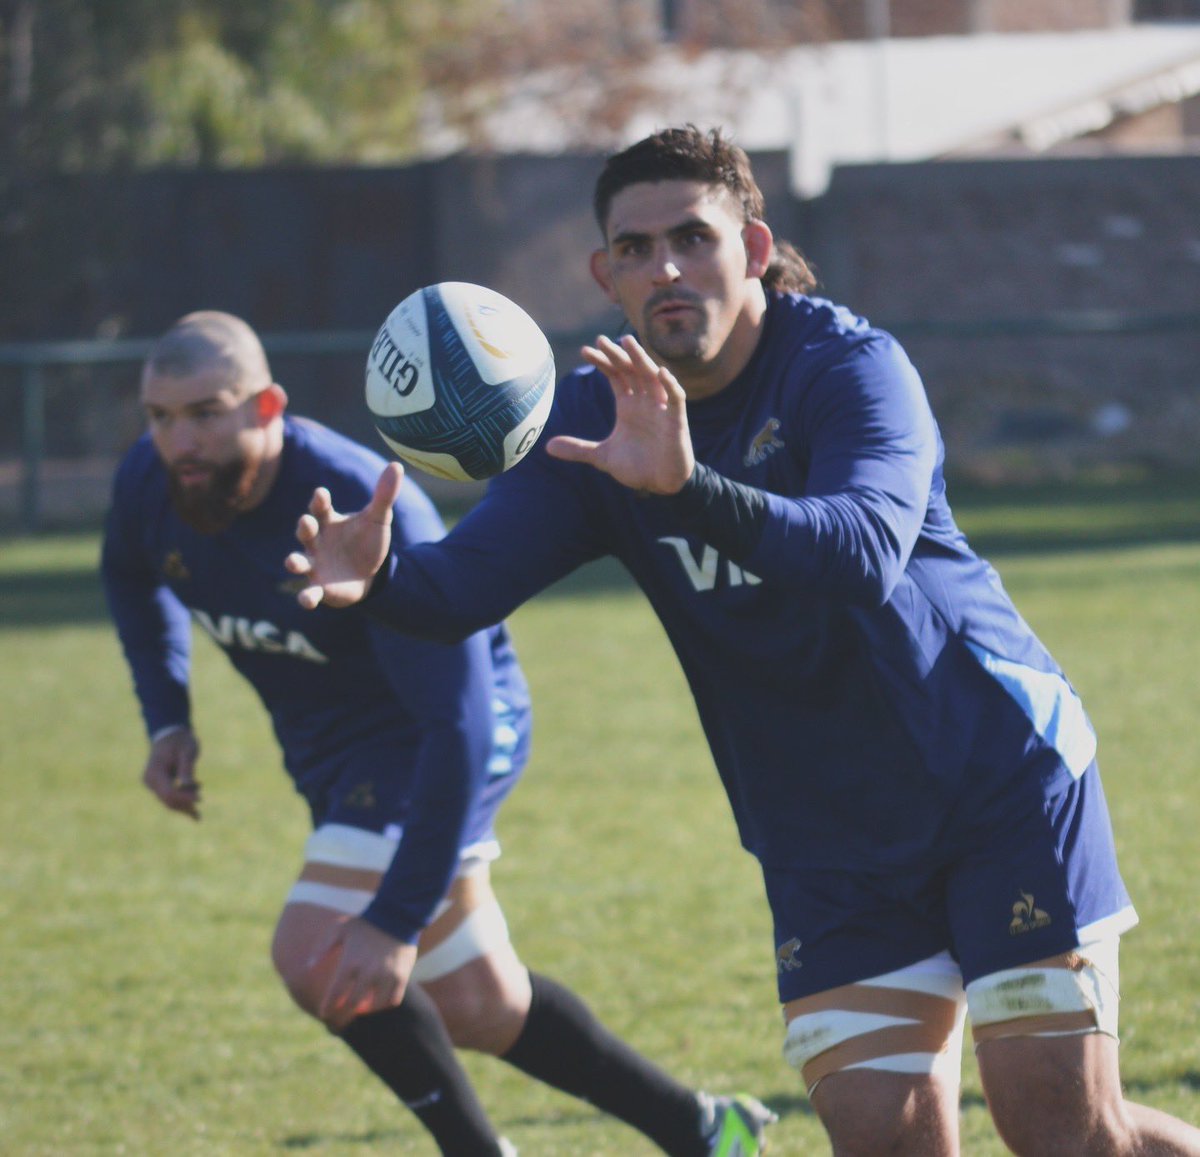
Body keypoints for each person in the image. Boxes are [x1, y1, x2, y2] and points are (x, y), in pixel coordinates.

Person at [284, 126, 1200, 1156]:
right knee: (884, 1144)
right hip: (823, 841)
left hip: (993, 782)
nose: (665, 268)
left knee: (1064, 1134)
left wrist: (688, 488)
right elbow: (465, 587)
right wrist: (380, 579)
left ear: (754, 248)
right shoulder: (593, 417)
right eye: (635, 248)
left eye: (693, 236)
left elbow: (860, 550)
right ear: (604, 275)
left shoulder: (848, 366)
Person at [100, 309, 777, 1157]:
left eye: (205, 413)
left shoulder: (361, 505)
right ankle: (707, 1129)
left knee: (318, 951)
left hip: (445, 734)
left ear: (267, 405)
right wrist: (168, 715)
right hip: (337, 756)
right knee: (479, 1002)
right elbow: (128, 572)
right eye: (160, 417)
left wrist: (393, 921)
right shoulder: (155, 480)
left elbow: (459, 722)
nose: (179, 441)